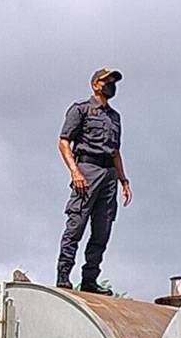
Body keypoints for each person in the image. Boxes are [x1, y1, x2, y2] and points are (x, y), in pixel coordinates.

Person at [56, 68, 132, 293]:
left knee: (102, 230)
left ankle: (90, 280)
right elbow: (63, 142)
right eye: (106, 81)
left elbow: (116, 150)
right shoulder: (81, 110)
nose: (111, 85)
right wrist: (75, 172)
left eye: (113, 81)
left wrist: (123, 181)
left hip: (109, 174)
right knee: (76, 225)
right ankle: (63, 275)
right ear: (95, 85)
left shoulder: (114, 117)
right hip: (87, 170)